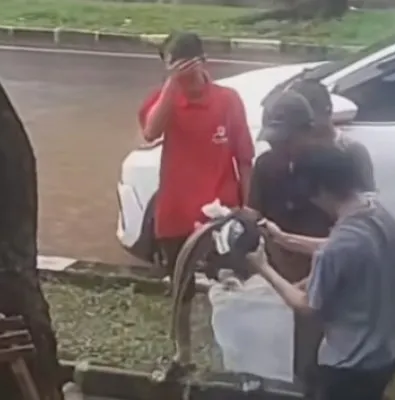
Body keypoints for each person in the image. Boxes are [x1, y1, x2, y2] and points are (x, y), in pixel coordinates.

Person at [248, 144, 395, 400]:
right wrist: (284, 239)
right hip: (387, 352)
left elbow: (307, 306)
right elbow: (348, 250)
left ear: (319, 189)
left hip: (350, 364)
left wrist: (263, 267)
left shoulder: (338, 249)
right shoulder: (378, 215)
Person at [247, 82, 375, 389]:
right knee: (281, 345)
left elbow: (354, 222)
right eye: (276, 142)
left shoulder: (337, 164)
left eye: (287, 140)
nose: (281, 148)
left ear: (308, 131)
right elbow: (256, 210)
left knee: (320, 348)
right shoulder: (266, 164)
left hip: (326, 264)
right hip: (282, 265)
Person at [138, 32, 254, 367]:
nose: (182, 77)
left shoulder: (227, 100)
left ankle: (233, 353)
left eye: (187, 68)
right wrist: (171, 86)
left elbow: (244, 157)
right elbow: (150, 132)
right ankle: (183, 351)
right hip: (175, 211)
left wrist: (247, 207)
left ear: (203, 63)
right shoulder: (164, 100)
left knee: (232, 285)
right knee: (181, 290)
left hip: (221, 212)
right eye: (172, 69)